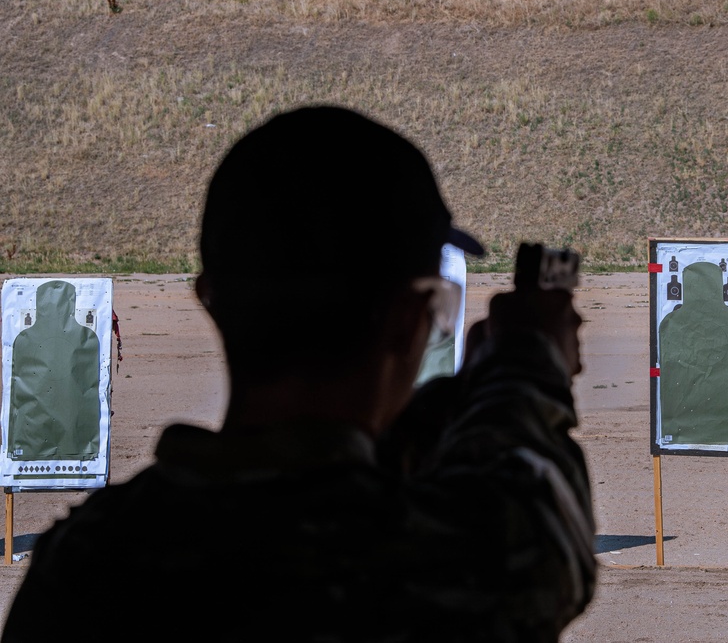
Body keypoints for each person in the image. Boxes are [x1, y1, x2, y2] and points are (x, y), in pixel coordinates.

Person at [1, 106, 596, 642]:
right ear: (410, 318)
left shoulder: (83, 565)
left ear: (211, 299)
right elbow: (535, 511)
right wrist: (524, 358)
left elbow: (315, 466)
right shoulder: (446, 560)